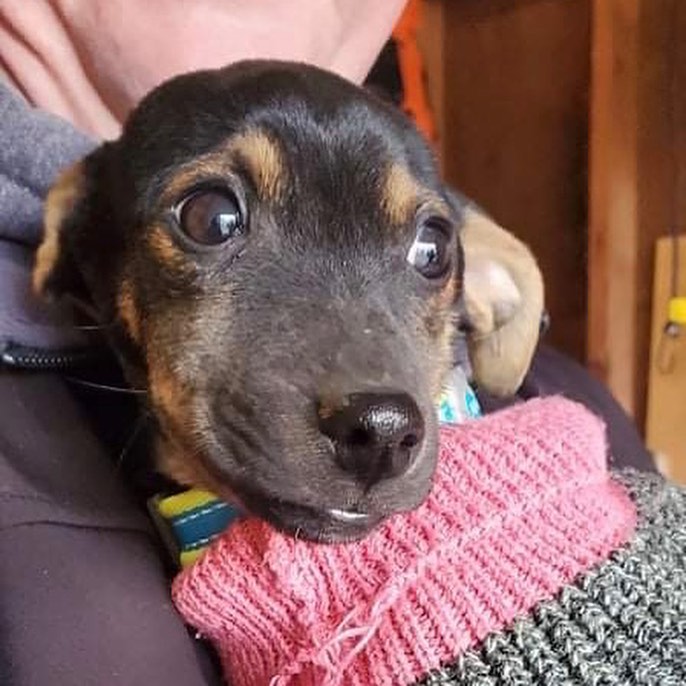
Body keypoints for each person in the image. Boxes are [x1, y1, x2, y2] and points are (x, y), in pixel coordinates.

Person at [0, 2, 654, 685]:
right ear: (72, 240)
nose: (382, 416)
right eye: (213, 220)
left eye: (428, 252)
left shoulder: (579, 410)